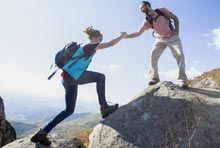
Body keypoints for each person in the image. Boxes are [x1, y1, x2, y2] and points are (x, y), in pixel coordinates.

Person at [31, 26, 127, 146]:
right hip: (72, 77)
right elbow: (111, 43)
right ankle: (104, 107)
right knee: (100, 77)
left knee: (69, 110)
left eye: (101, 39)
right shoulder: (90, 45)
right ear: (93, 37)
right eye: (99, 38)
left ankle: (43, 133)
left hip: (66, 78)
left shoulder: (82, 46)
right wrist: (121, 36)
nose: (100, 41)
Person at [124, 1, 188, 88]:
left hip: (172, 37)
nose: (141, 10)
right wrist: (126, 36)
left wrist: (177, 31)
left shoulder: (162, 11)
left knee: (180, 55)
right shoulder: (147, 21)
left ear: (147, 6)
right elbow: (138, 33)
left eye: (142, 8)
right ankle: (154, 78)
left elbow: (175, 18)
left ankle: (182, 80)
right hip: (160, 39)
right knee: (153, 56)